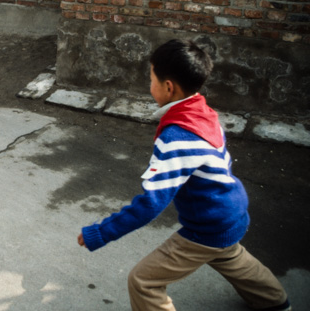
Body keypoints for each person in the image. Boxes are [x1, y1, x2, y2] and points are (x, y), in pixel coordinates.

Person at [77, 39, 290, 311]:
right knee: (229, 255)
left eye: (151, 78)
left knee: (143, 281)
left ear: (168, 87)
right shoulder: (204, 114)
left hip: (207, 224)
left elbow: (150, 204)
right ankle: (277, 303)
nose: (149, 84)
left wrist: (101, 232)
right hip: (231, 210)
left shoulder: (177, 138)